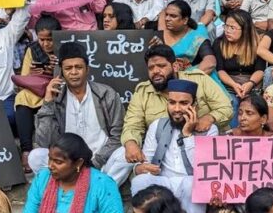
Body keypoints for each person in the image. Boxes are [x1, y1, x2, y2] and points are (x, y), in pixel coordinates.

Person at [104, 45, 232, 185]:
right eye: (151, 68)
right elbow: (132, 125)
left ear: (175, 66)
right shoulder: (142, 92)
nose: (156, 71)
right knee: (123, 153)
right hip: (162, 151)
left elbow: (226, 107)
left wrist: (209, 118)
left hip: (199, 144)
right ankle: (103, 195)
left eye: (161, 66)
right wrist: (131, 143)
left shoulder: (198, 80)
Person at [130, 79, 218, 213]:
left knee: (192, 184)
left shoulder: (209, 130)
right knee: (140, 181)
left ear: (194, 106)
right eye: (172, 102)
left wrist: (187, 135)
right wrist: (140, 168)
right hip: (163, 182)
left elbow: (202, 170)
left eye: (184, 103)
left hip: (190, 182)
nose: (176, 109)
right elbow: (146, 161)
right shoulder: (157, 125)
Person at [28, 41, 125, 173]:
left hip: (101, 162)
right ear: (61, 71)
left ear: (87, 69)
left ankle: (98, 189)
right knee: (35, 156)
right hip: (67, 165)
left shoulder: (107, 94)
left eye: (78, 67)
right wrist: (48, 102)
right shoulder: (56, 99)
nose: (74, 72)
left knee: (125, 153)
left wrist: (95, 162)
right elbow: (44, 141)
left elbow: (117, 136)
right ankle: (70, 188)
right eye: (68, 68)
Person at [14, 14, 61, 172]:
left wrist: (55, 69)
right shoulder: (32, 49)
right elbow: (24, 80)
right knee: (21, 97)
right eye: (42, 39)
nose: (45, 44)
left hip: (58, 90)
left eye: (49, 39)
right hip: (38, 90)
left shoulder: (65, 47)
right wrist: (37, 73)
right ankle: (26, 150)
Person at [214, 10, 265, 127]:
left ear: (244, 29)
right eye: (226, 26)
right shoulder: (219, 43)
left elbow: (260, 70)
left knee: (252, 106)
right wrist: (233, 85)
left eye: (232, 28)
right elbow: (220, 70)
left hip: (252, 84)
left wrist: (250, 83)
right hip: (229, 85)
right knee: (234, 103)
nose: (227, 30)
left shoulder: (257, 43)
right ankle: (234, 135)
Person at [158, 0, 217, 77]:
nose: (167, 19)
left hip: (196, 78)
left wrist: (184, 77)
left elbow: (210, 62)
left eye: (173, 16)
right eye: (167, 15)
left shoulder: (197, 35)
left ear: (185, 20)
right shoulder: (161, 33)